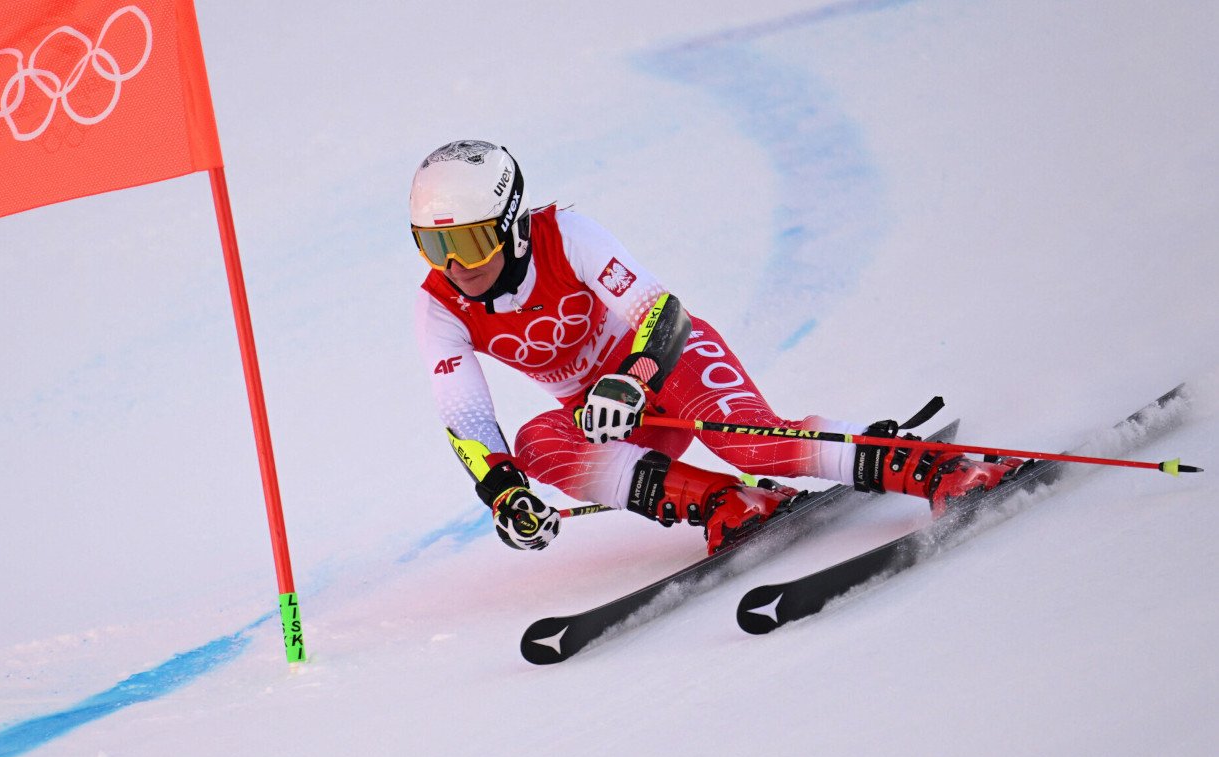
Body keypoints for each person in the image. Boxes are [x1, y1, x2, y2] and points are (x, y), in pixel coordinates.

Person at [411, 140, 1020, 554]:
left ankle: (941, 468)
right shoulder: (439, 306)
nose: (458, 265)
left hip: (668, 367)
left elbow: (662, 312)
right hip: (604, 416)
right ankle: (726, 503)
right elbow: (466, 418)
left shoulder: (564, 235)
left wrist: (632, 379)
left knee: (751, 443)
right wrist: (504, 492)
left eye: (472, 241)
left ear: (512, 221)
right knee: (538, 445)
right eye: (437, 247)